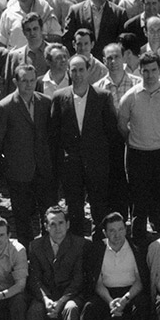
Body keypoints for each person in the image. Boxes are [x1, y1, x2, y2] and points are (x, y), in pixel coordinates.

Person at [49, 55, 118, 238]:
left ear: (88, 71)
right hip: (71, 165)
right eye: (74, 70)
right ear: (68, 72)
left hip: (97, 164)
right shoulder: (59, 97)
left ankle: (99, 243)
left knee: (99, 207)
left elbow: (111, 133)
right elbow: (54, 135)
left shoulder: (103, 97)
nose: (78, 74)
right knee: (74, 208)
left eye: (81, 70)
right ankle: (77, 243)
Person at [119, 53, 160, 239]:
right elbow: (122, 127)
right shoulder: (130, 97)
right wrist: (138, 140)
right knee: (139, 202)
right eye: (145, 71)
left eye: (153, 70)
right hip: (138, 156)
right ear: (140, 71)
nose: (150, 75)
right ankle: (139, 241)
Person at [79, 212, 150, 320]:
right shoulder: (98, 249)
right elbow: (97, 282)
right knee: (89, 308)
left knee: (142, 306)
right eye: (112, 231)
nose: (117, 235)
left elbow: (140, 281)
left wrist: (125, 299)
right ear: (105, 233)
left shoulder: (136, 248)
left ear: (126, 229)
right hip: (106, 294)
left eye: (120, 229)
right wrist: (110, 301)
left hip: (130, 293)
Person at [0, 64, 53, 243]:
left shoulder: (45, 102)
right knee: (22, 217)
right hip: (18, 171)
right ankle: (27, 252)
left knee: (48, 214)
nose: (29, 84)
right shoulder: (5, 106)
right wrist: (8, 165)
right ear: (15, 82)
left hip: (43, 169)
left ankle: (47, 250)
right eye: (24, 80)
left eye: (32, 80)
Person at [25, 205, 87, 320]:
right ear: (46, 226)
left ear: (68, 224)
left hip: (69, 294)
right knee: (35, 310)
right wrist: (45, 299)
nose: (57, 228)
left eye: (61, 223)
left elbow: (77, 280)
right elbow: (35, 279)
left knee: (71, 308)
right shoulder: (36, 246)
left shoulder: (78, 245)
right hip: (45, 295)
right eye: (52, 224)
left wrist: (60, 302)